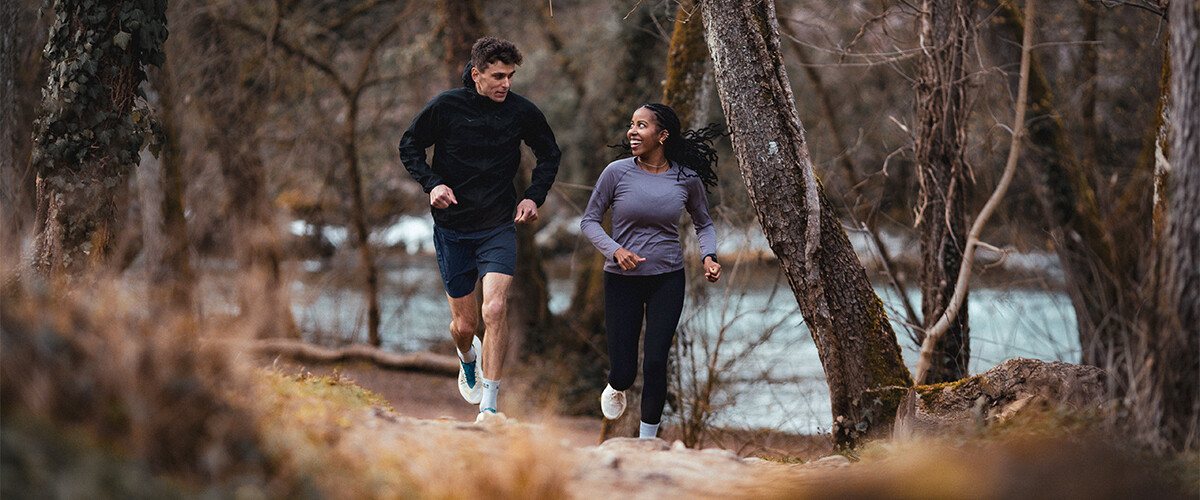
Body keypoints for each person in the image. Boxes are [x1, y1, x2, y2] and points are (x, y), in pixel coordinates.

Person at [398, 36, 560, 423]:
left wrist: (532, 197)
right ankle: (466, 357)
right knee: (465, 326)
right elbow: (409, 146)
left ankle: (489, 406)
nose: (505, 83)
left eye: (510, 76)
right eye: (498, 76)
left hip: (497, 226)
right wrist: (432, 183)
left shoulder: (521, 112)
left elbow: (549, 153)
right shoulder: (446, 107)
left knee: (496, 307)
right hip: (453, 228)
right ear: (476, 74)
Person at [580, 103, 723, 439]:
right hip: (621, 280)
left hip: (668, 278)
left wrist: (709, 257)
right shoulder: (616, 173)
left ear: (662, 135)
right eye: (631, 124)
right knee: (624, 371)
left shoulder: (686, 178)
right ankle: (615, 385)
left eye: (641, 125)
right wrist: (615, 250)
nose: (632, 131)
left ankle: (647, 440)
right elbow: (588, 221)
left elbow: (703, 223)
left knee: (657, 361)